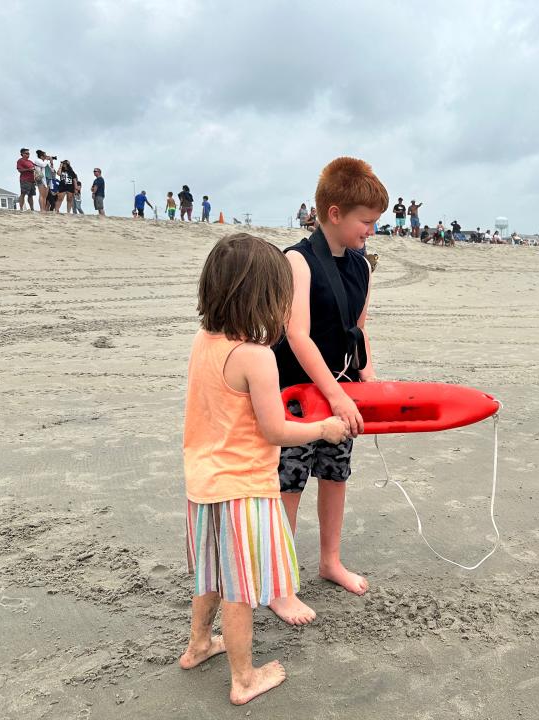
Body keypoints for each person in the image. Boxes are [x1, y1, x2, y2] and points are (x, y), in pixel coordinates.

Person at [180, 233, 347, 705]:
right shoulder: (256, 357)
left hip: (202, 483)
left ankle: (197, 646)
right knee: (240, 588)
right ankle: (243, 677)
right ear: (263, 298)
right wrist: (323, 429)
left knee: (210, 573)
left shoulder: (203, 340)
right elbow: (276, 430)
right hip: (245, 490)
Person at [273, 157, 388, 602]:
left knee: (336, 474)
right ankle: (280, 581)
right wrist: (335, 395)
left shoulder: (361, 267)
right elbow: (296, 335)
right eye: (366, 221)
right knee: (289, 482)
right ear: (335, 213)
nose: (370, 231)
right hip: (297, 395)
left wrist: (369, 380)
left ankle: (329, 561)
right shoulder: (297, 261)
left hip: (343, 392)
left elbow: (358, 331)